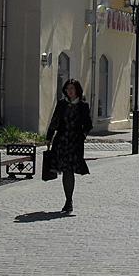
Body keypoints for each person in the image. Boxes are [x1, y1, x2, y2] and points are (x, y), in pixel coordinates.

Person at [46, 79, 93, 214]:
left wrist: (83, 135)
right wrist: (49, 137)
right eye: (67, 89)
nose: (70, 91)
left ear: (77, 90)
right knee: (65, 170)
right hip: (61, 141)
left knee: (70, 170)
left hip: (75, 143)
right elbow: (54, 121)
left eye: (72, 88)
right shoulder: (61, 104)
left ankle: (69, 200)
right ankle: (68, 201)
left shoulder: (83, 106)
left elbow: (88, 124)